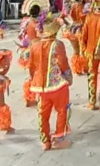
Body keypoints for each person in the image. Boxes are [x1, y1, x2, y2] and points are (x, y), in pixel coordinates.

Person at [27, 13, 74, 151]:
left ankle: (45, 141)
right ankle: (58, 139)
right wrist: (68, 78)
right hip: (57, 84)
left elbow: (31, 66)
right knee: (61, 110)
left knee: (43, 113)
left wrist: (34, 80)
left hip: (41, 87)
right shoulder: (58, 44)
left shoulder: (34, 46)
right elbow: (63, 63)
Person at [17, 0, 49, 107]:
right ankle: (40, 96)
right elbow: (42, 35)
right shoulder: (37, 24)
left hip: (28, 48)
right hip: (38, 48)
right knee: (39, 73)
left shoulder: (25, 21)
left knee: (31, 74)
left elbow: (21, 35)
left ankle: (29, 97)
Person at [63, 0, 90, 76]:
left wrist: (68, 24)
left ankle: (77, 69)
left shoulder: (70, 7)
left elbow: (63, 16)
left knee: (76, 51)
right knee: (85, 50)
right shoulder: (84, 7)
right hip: (82, 29)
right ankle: (86, 68)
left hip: (72, 29)